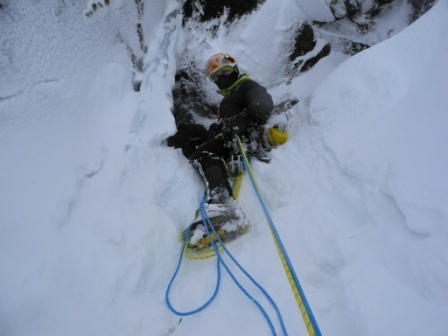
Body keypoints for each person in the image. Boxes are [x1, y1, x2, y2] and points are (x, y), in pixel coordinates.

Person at [167, 52, 274, 248]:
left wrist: (241, 122)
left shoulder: (246, 86)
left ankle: (225, 207)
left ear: (234, 71)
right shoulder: (232, 94)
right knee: (186, 133)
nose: (221, 78)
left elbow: (262, 103)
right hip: (226, 133)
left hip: (238, 136)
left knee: (203, 154)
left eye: (224, 73)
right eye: (216, 77)